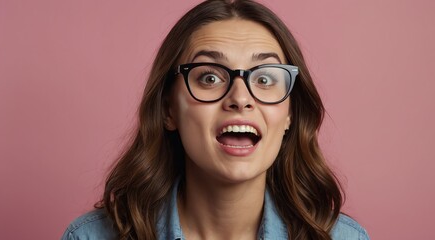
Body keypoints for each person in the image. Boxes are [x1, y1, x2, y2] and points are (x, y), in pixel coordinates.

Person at [62, 0, 369, 239]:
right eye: (209, 77)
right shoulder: (91, 236)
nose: (240, 97)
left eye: (264, 79)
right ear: (169, 110)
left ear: (289, 113)